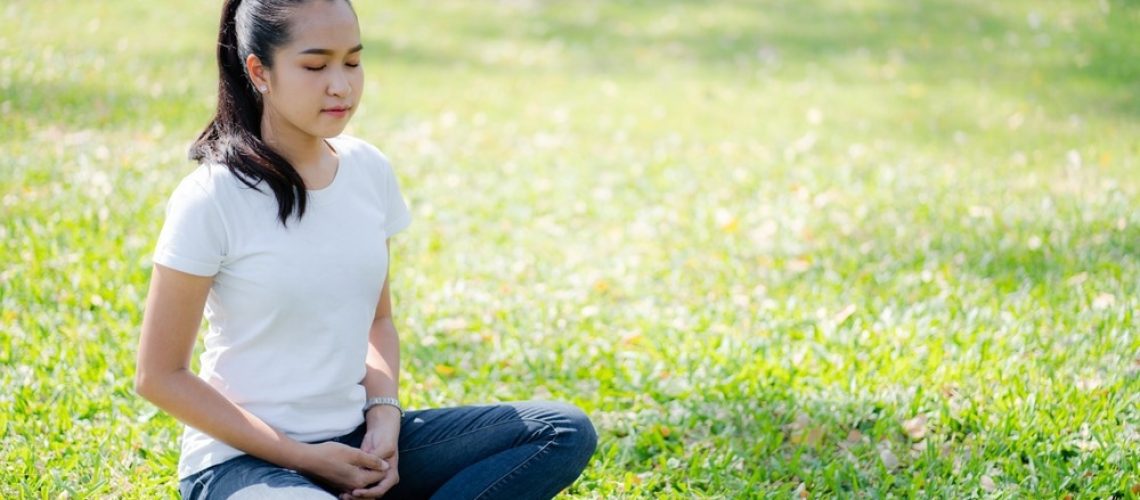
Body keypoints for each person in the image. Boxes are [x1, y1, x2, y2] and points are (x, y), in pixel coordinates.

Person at [133, 0, 597, 498]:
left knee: (562, 430)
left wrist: (384, 420)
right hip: (243, 463)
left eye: (353, 61)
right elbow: (160, 375)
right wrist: (306, 459)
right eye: (315, 66)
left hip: (354, 441)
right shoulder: (213, 196)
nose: (342, 85)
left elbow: (378, 322)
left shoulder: (367, 170)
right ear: (259, 71)